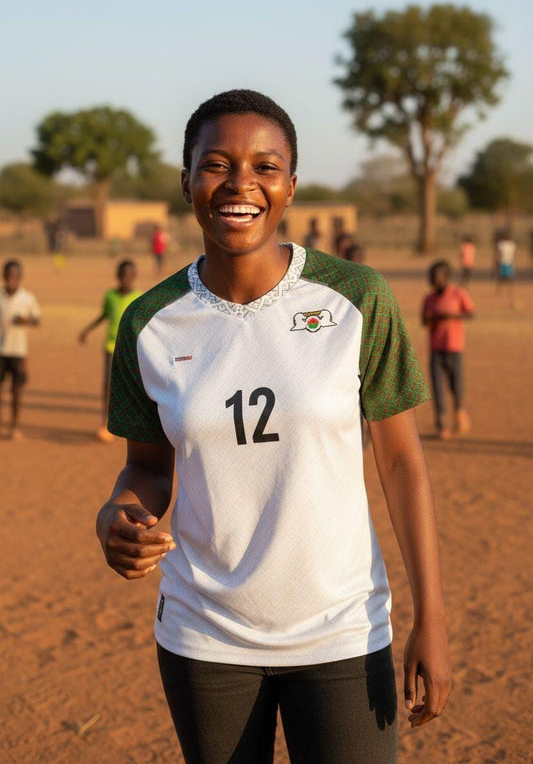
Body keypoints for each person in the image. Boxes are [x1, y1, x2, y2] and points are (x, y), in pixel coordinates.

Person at [96, 89, 451, 764]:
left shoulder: (356, 297)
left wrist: (430, 618)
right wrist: (117, 514)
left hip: (341, 629)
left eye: (264, 167)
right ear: (186, 182)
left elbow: (402, 464)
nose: (240, 183)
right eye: (216, 164)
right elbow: (146, 467)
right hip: (204, 634)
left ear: (290, 185)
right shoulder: (149, 322)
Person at [79, 259, 142, 442]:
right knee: (108, 384)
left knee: (133, 387)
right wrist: (87, 330)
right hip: (110, 346)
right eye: (123, 275)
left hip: (130, 349)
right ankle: (105, 422)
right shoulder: (110, 296)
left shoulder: (139, 298)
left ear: (134, 277)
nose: (125, 279)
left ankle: (131, 423)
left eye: (129, 276)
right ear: (117, 276)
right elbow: (105, 315)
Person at [422, 260, 475, 440]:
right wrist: (431, 318)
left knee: (456, 384)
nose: (431, 280)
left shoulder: (458, 294)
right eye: (430, 277)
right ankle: (441, 423)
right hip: (436, 348)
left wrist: (450, 316)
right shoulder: (428, 299)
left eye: (434, 277)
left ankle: (459, 413)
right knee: (437, 387)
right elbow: (424, 321)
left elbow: (470, 313)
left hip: (454, 346)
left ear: (445, 278)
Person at [0, 259, 41, 440]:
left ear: (20, 277)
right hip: (1, 351)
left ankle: (14, 425)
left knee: (16, 390)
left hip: (18, 351)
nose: (11, 279)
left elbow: (37, 319)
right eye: (8, 275)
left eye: (15, 276)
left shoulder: (27, 298)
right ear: (3, 276)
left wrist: (27, 320)